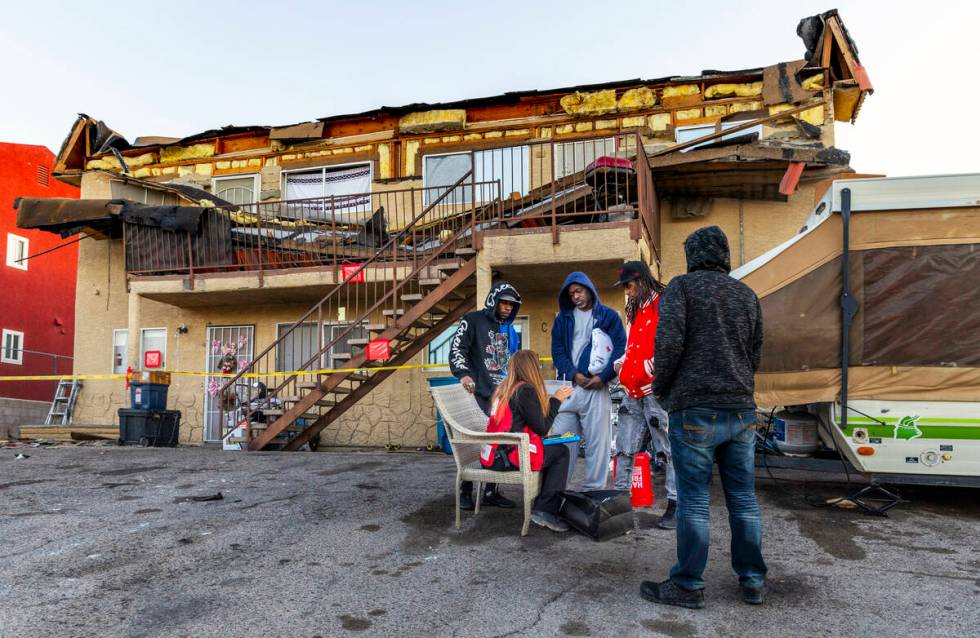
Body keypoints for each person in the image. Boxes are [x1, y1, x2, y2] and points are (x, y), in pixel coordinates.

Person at [641, 226, 766, 610]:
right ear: (724, 255)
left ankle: (688, 584)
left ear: (693, 255)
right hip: (741, 408)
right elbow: (755, 351)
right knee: (743, 498)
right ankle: (753, 580)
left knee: (694, 501)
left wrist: (661, 388)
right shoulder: (747, 295)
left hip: (694, 409)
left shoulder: (681, 288)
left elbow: (669, 343)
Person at [611, 260, 677, 530]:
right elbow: (633, 344)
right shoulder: (635, 309)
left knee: (669, 450)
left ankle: (675, 504)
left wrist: (653, 368)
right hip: (631, 389)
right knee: (623, 447)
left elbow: (672, 342)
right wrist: (622, 363)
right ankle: (618, 505)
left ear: (640, 280)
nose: (626, 291)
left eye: (628, 285)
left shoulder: (664, 303)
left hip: (655, 391)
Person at [481, 350, 574, 532]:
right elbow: (542, 428)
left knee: (552, 448)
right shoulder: (525, 390)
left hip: (493, 457)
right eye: (537, 365)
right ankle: (544, 510)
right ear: (531, 368)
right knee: (561, 451)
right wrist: (556, 400)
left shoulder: (504, 389)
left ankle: (542, 501)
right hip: (510, 457)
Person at [449, 280, 523, 510]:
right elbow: (457, 348)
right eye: (504, 302)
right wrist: (463, 374)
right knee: (472, 442)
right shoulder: (473, 320)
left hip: (501, 396)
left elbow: (511, 362)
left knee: (499, 443)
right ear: (493, 300)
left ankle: (491, 491)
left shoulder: (510, 330)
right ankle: (466, 491)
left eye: (512, 304)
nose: (508, 307)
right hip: (476, 392)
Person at [550, 272, 626, 491]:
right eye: (571, 293)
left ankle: (594, 494)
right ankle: (554, 494)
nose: (575, 296)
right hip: (568, 387)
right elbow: (558, 351)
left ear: (589, 289)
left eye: (579, 291)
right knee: (559, 442)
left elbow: (621, 348)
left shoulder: (609, 316)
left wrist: (603, 378)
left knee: (597, 445)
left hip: (597, 388)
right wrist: (573, 373)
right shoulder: (562, 319)